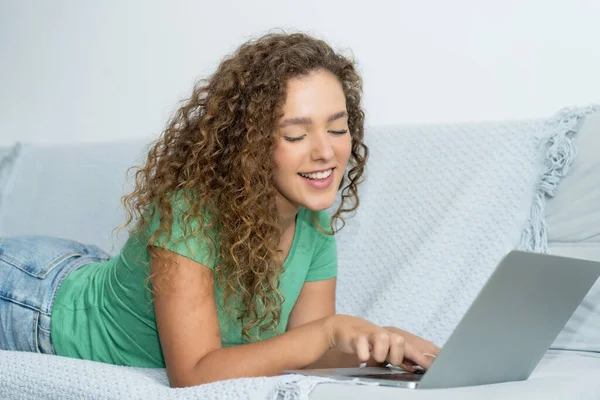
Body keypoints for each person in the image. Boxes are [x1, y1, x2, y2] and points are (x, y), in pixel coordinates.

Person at [0, 31, 439, 387]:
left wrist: (384, 345)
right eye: (295, 135)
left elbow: (303, 354)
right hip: (32, 299)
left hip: (91, 272)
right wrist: (331, 331)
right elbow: (194, 375)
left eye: (338, 128)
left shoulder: (313, 221)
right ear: (249, 144)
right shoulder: (189, 211)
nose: (326, 152)